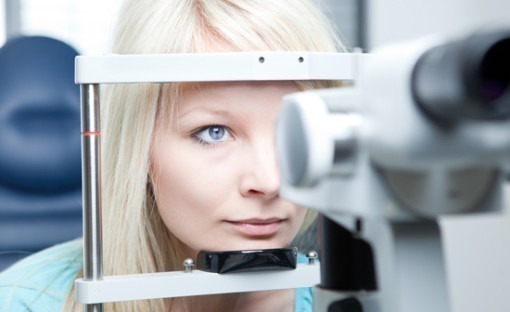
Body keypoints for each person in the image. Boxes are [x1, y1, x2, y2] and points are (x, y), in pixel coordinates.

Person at [0, 0, 345, 311]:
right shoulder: (22, 301)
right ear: (140, 148)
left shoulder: (355, 298)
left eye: (293, 130)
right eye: (214, 132)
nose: (270, 182)